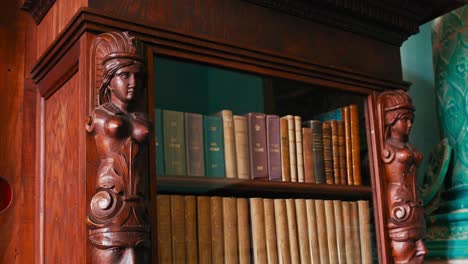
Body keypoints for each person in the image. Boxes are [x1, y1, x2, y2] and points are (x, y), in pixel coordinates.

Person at [86, 32, 151, 264]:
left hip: (139, 196)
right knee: (112, 241)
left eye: (137, 77)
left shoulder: (141, 115)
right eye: (125, 75)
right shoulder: (101, 113)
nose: (133, 83)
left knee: (139, 244)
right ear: (109, 80)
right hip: (109, 195)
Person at [379, 90, 428, 264]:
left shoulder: (407, 144)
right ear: (391, 120)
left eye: (411, 120)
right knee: (404, 237)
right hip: (398, 202)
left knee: (417, 240)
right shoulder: (386, 147)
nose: (410, 124)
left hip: (414, 202)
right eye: (405, 119)